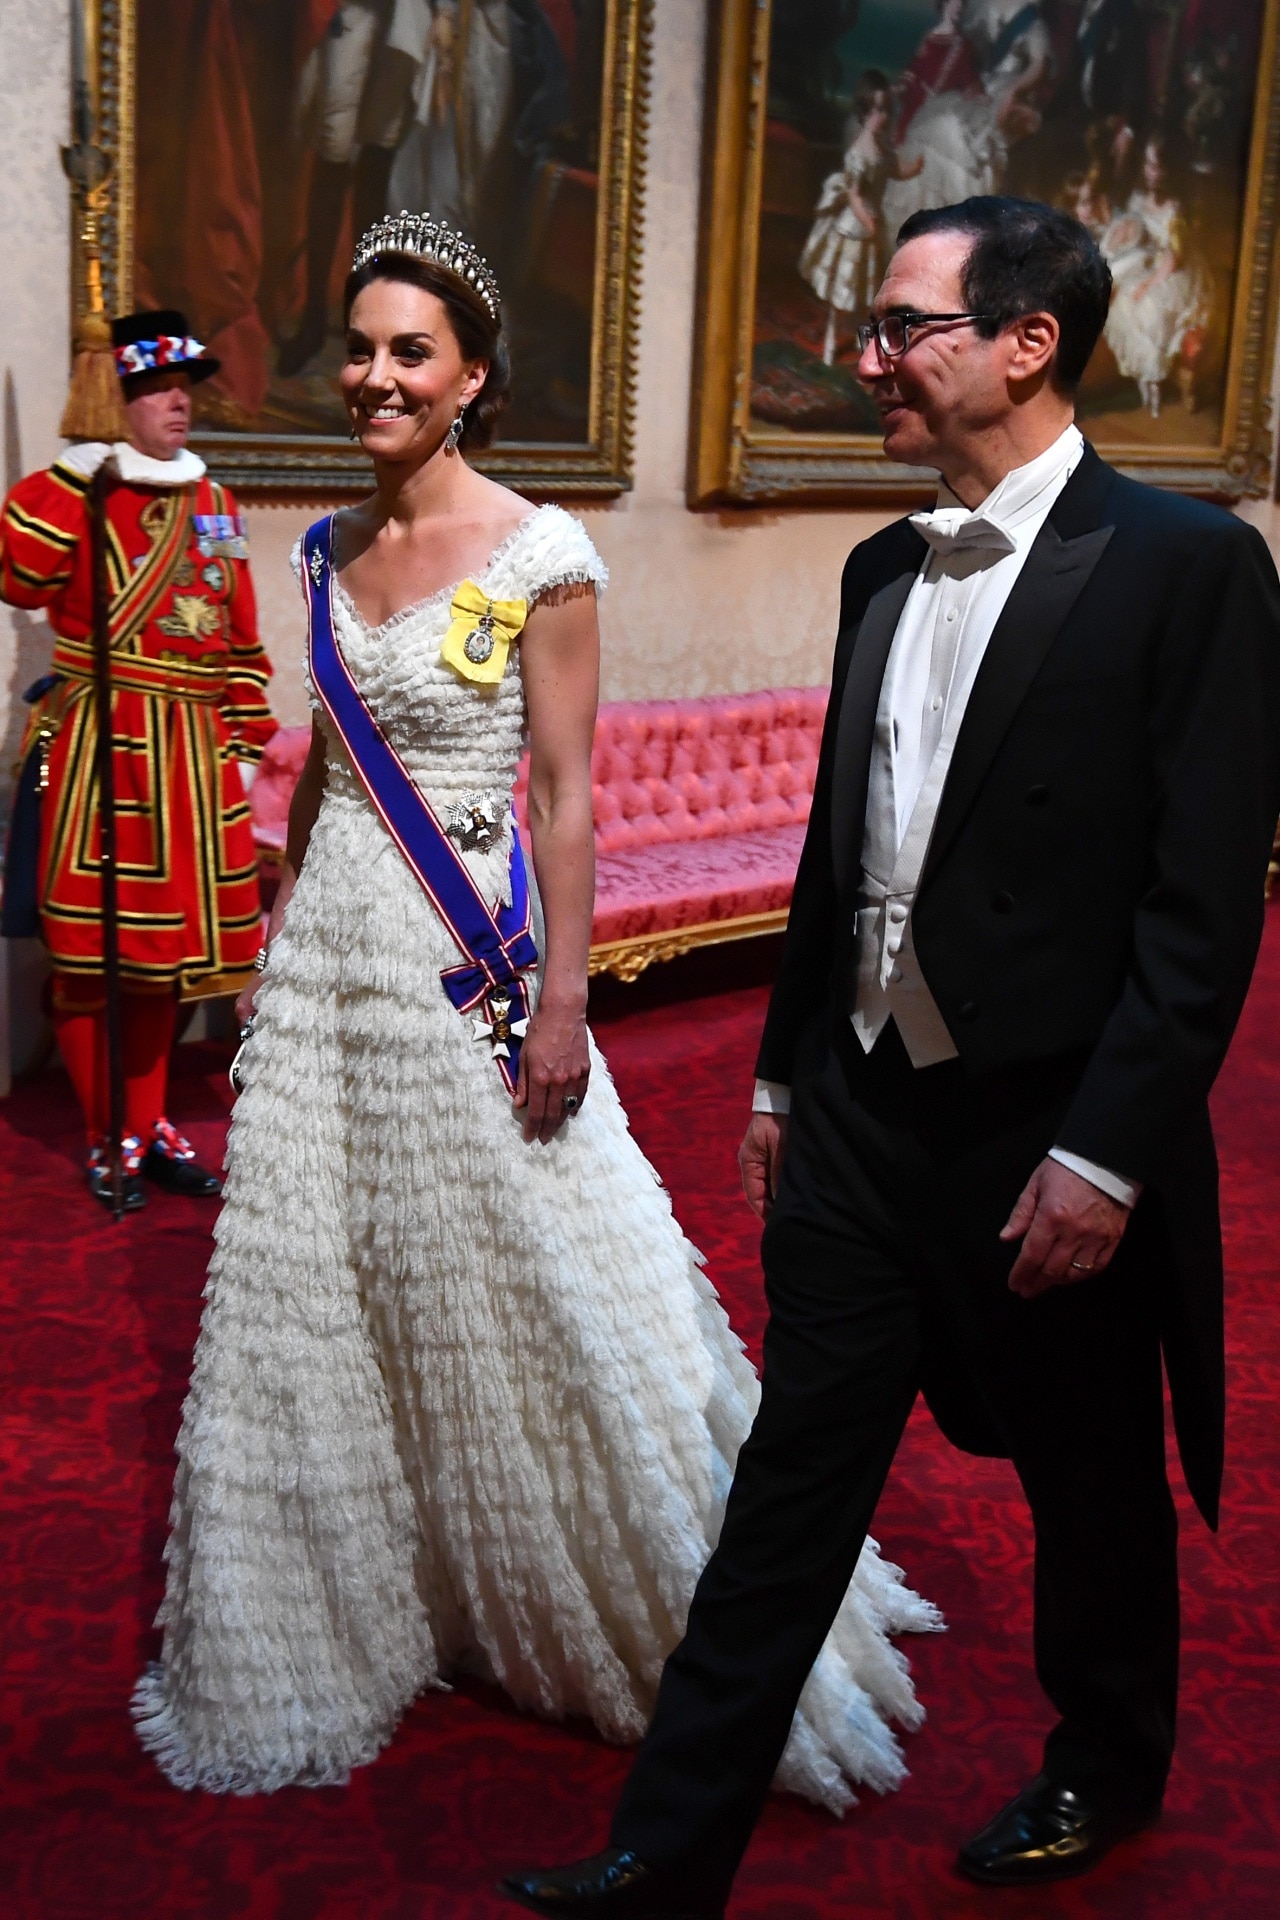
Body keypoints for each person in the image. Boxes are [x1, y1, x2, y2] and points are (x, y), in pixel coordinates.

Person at [503, 197, 1280, 1914]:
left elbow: (1201, 906)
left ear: (1026, 344)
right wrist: (783, 1075)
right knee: (793, 1485)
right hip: (857, 1114)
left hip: (1047, 1129)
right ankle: (666, 1848)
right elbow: (837, 848)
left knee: (1089, 1478)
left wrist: (1108, 1157)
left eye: (903, 326)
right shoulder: (879, 563)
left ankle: (1103, 1760)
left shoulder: (1188, 566)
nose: (868, 359)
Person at [131, 215, 940, 1803]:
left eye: (409, 352)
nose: (374, 373)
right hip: (329, 975)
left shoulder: (540, 554)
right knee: (335, 1277)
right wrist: (274, 943)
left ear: (471, 377)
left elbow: (566, 800)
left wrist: (566, 1000)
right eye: (358, 346)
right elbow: (330, 774)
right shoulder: (323, 551)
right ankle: (378, 1577)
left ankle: (630, 1596)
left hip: (466, 968)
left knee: (524, 1261)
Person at [0, 310, 277, 1210]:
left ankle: (149, 1125)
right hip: (99, 752)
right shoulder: (77, 494)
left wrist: (240, 747)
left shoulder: (217, 506)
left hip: (193, 763)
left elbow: (240, 637)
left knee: (167, 961)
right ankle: (102, 1133)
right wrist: (70, 475)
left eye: (183, 388)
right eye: (156, 389)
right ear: (111, 399)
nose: (177, 404)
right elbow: (17, 579)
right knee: (89, 959)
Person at [801, 73, 922, 367]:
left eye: (885, 110)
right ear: (864, 112)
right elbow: (854, 194)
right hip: (854, 227)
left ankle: (861, 334)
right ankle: (831, 336)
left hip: (873, 225)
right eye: (876, 110)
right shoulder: (859, 151)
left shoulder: (881, 147)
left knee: (868, 289)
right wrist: (866, 221)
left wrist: (915, 167)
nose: (881, 116)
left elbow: (894, 168)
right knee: (844, 290)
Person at [1101, 135, 1208, 418]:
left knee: (1149, 307)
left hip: (1173, 271)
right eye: (1149, 166)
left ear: (1169, 170)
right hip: (1147, 263)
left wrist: (1147, 284)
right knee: (1121, 302)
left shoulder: (1175, 209)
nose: (1153, 173)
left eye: (1159, 167)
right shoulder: (1137, 199)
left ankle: (1154, 380)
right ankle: (1144, 382)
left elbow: (1175, 258)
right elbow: (1133, 233)